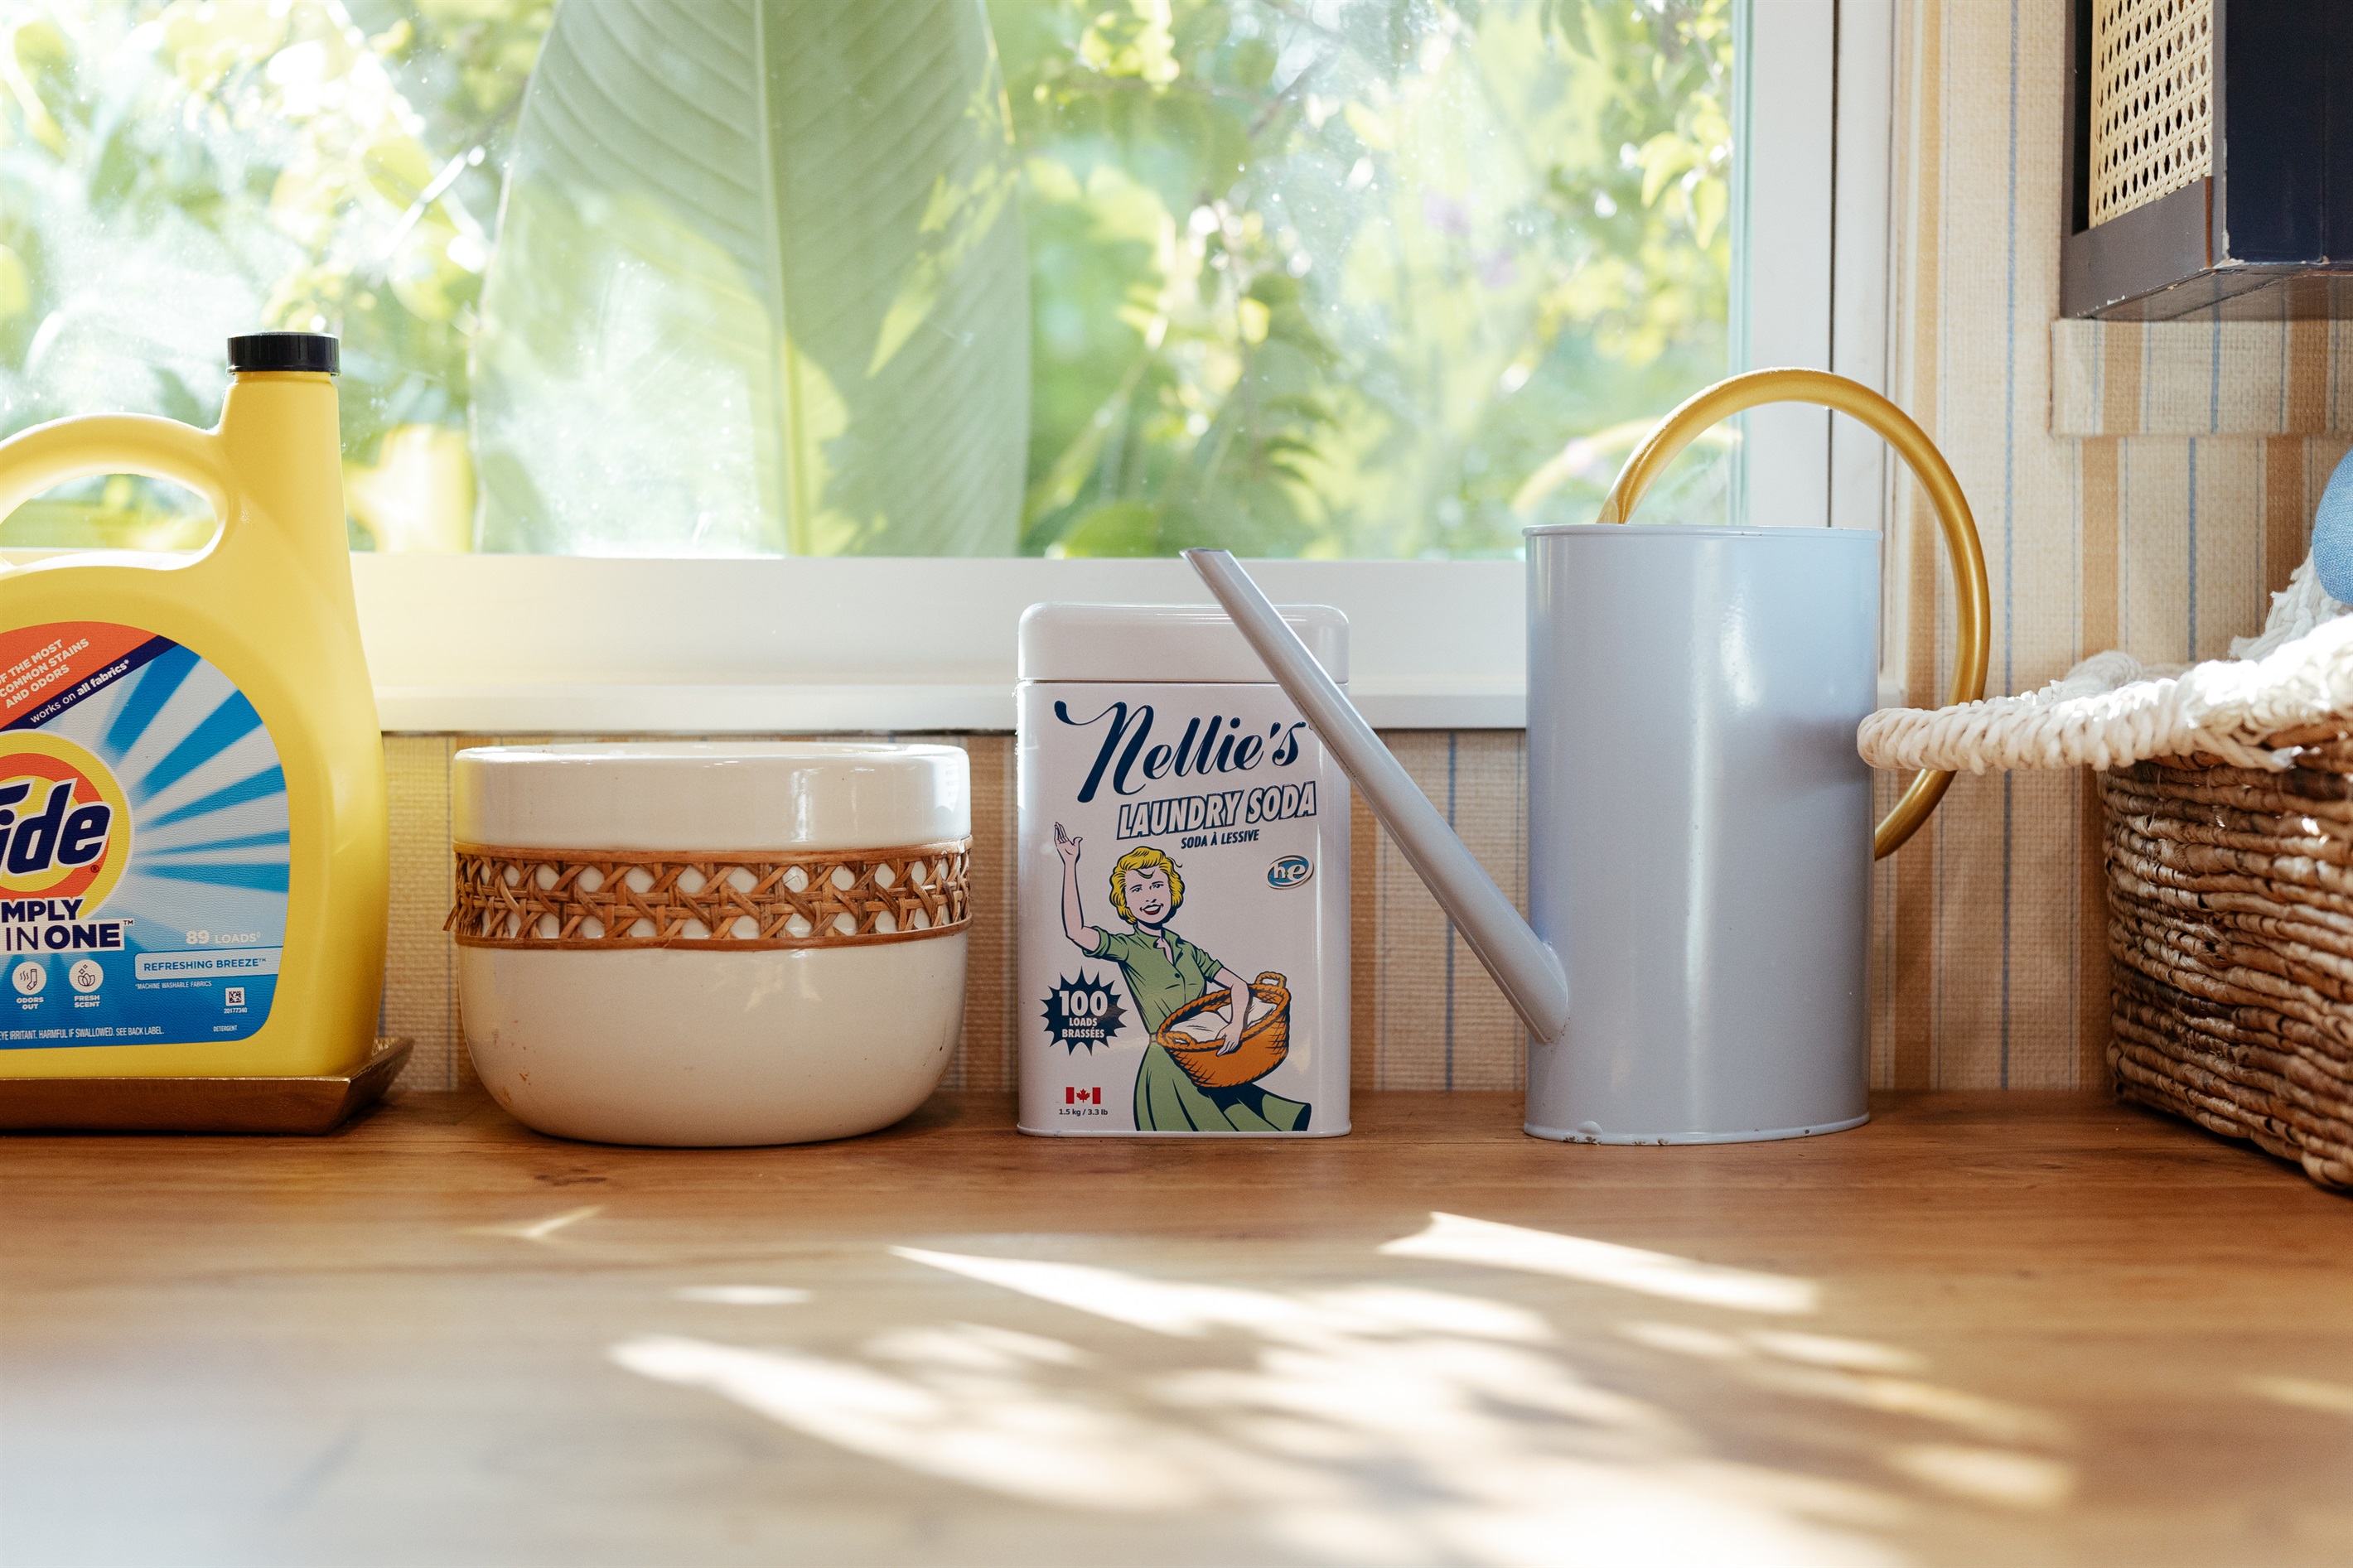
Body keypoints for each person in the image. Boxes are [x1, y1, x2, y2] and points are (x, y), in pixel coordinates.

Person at [1054, 823, 1309, 1132]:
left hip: (1211, 1059)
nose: (1150, 897)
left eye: (1157, 886)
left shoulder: (1186, 949)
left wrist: (1236, 1024)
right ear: (1126, 904)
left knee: (1262, 1121)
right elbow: (1077, 932)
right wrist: (1069, 864)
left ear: (1171, 891)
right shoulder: (1128, 948)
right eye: (1137, 889)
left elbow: (1239, 986)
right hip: (1169, 1066)